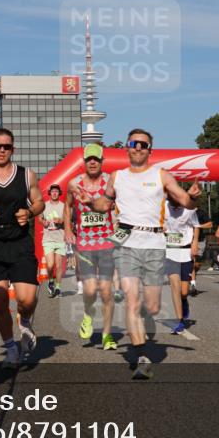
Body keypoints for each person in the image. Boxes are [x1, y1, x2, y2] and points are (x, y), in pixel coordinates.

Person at [73, 129, 201, 379]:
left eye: (144, 144)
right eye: (134, 143)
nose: (139, 147)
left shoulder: (161, 175)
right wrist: (89, 201)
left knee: (152, 306)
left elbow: (186, 201)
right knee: (131, 301)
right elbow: (104, 204)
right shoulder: (117, 177)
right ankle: (142, 357)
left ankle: (142, 322)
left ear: (150, 150)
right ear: (128, 148)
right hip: (126, 243)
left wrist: (196, 198)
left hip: (154, 243)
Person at [0, 128, 45, 368]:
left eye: (6, 147)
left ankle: (24, 321)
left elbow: (39, 202)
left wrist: (30, 212)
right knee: (0, 299)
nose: (2, 151)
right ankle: (11, 348)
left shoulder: (26, 175)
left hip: (19, 242)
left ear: (12, 149)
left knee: (27, 299)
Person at [65, 143, 119, 351]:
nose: (93, 162)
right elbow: (67, 206)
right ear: (84, 162)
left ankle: (107, 335)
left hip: (106, 242)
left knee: (106, 291)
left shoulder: (109, 182)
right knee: (89, 289)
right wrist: (68, 229)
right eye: (89, 159)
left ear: (102, 161)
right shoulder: (73, 184)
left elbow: (117, 205)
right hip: (85, 244)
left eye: (96, 159)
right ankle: (88, 313)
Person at [164, 194, 202, 334]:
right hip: (170, 251)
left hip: (185, 251)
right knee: (175, 287)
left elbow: (196, 226)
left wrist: (195, 243)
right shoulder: (163, 207)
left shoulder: (189, 209)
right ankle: (179, 321)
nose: (175, 208)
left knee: (184, 292)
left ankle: (184, 302)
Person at [40, 184, 66, 297]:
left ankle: (58, 287)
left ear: (59, 193)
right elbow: (39, 217)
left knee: (59, 265)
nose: (54, 193)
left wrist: (61, 220)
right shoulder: (44, 206)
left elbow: (67, 219)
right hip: (48, 238)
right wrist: (43, 222)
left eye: (56, 191)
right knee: (50, 265)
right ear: (49, 193)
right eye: (52, 191)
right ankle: (51, 281)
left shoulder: (63, 206)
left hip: (60, 238)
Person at [190, 209, 213, 297]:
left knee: (197, 265)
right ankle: (193, 285)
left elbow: (210, 224)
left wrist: (198, 226)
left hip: (200, 241)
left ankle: (191, 275)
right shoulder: (185, 211)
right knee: (192, 263)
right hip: (189, 240)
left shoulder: (201, 212)